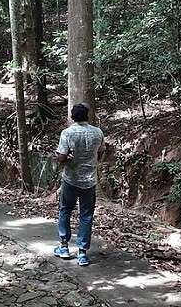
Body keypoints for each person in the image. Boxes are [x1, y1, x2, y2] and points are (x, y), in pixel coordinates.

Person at [53, 103, 104, 266]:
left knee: (65, 210)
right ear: (87, 116)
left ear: (73, 117)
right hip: (90, 181)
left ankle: (64, 246)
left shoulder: (67, 133)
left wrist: (65, 157)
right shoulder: (97, 132)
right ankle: (82, 253)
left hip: (71, 179)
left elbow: (61, 158)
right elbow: (101, 152)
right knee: (86, 215)